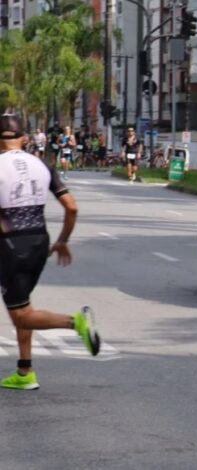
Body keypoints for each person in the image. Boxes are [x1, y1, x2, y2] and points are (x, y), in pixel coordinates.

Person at [0, 114, 100, 391]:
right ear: (25, 138)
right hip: (40, 242)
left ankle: (75, 322)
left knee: (21, 314)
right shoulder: (41, 164)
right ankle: (25, 371)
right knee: (22, 305)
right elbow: (72, 207)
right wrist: (62, 241)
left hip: (10, 246)